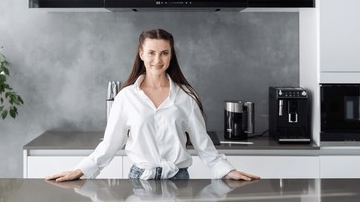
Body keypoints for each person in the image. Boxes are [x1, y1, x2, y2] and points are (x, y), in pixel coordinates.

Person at [46, 29, 259, 182]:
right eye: (151, 52)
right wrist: (80, 170)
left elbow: (204, 146)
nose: (157, 59)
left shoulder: (186, 97)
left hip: (179, 180)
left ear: (171, 56)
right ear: (141, 54)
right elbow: (110, 145)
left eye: (164, 53)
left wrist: (227, 170)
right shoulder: (126, 97)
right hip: (139, 180)